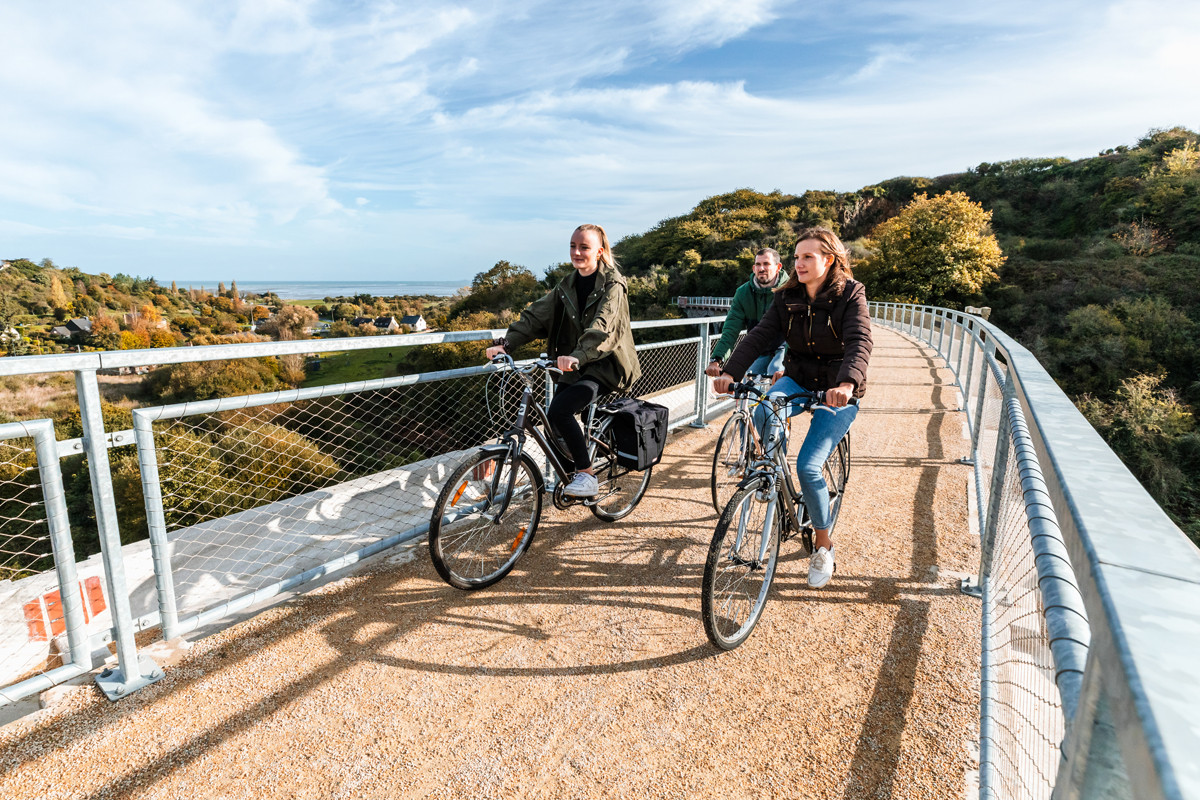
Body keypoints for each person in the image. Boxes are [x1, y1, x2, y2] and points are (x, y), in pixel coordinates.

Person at [713, 227, 872, 589]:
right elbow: (760, 336)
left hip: (837, 387)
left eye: (808, 257)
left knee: (809, 465)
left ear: (829, 260)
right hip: (798, 377)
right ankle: (772, 473)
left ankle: (823, 544)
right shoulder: (786, 295)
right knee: (763, 411)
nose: (799, 264)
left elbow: (860, 341)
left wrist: (846, 384)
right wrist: (730, 372)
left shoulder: (851, 293)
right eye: (797, 257)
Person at [485, 224, 641, 498]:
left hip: (605, 364)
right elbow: (537, 316)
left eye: (584, 247)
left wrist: (577, 357)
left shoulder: (613, 284)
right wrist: (506, 343)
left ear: (599, 252)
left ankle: (586, 475)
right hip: (575, 363)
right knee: (553, 422)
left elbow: (603, 327)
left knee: (560, 410)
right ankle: (571, 474)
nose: (577, 252)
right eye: (573, 246)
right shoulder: (566, 285)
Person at [705, 247, 788, 381]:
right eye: (758, 264)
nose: (761, 268)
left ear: (778, 267)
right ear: (753, 268)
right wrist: (716, 359)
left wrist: (788, 366)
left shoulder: (790, 290)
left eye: (766, 264)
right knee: (746, 381)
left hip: (785, 347)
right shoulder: (743, 293)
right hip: (759, 348)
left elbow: (797, 331)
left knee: (776, 372)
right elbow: (731, 329)